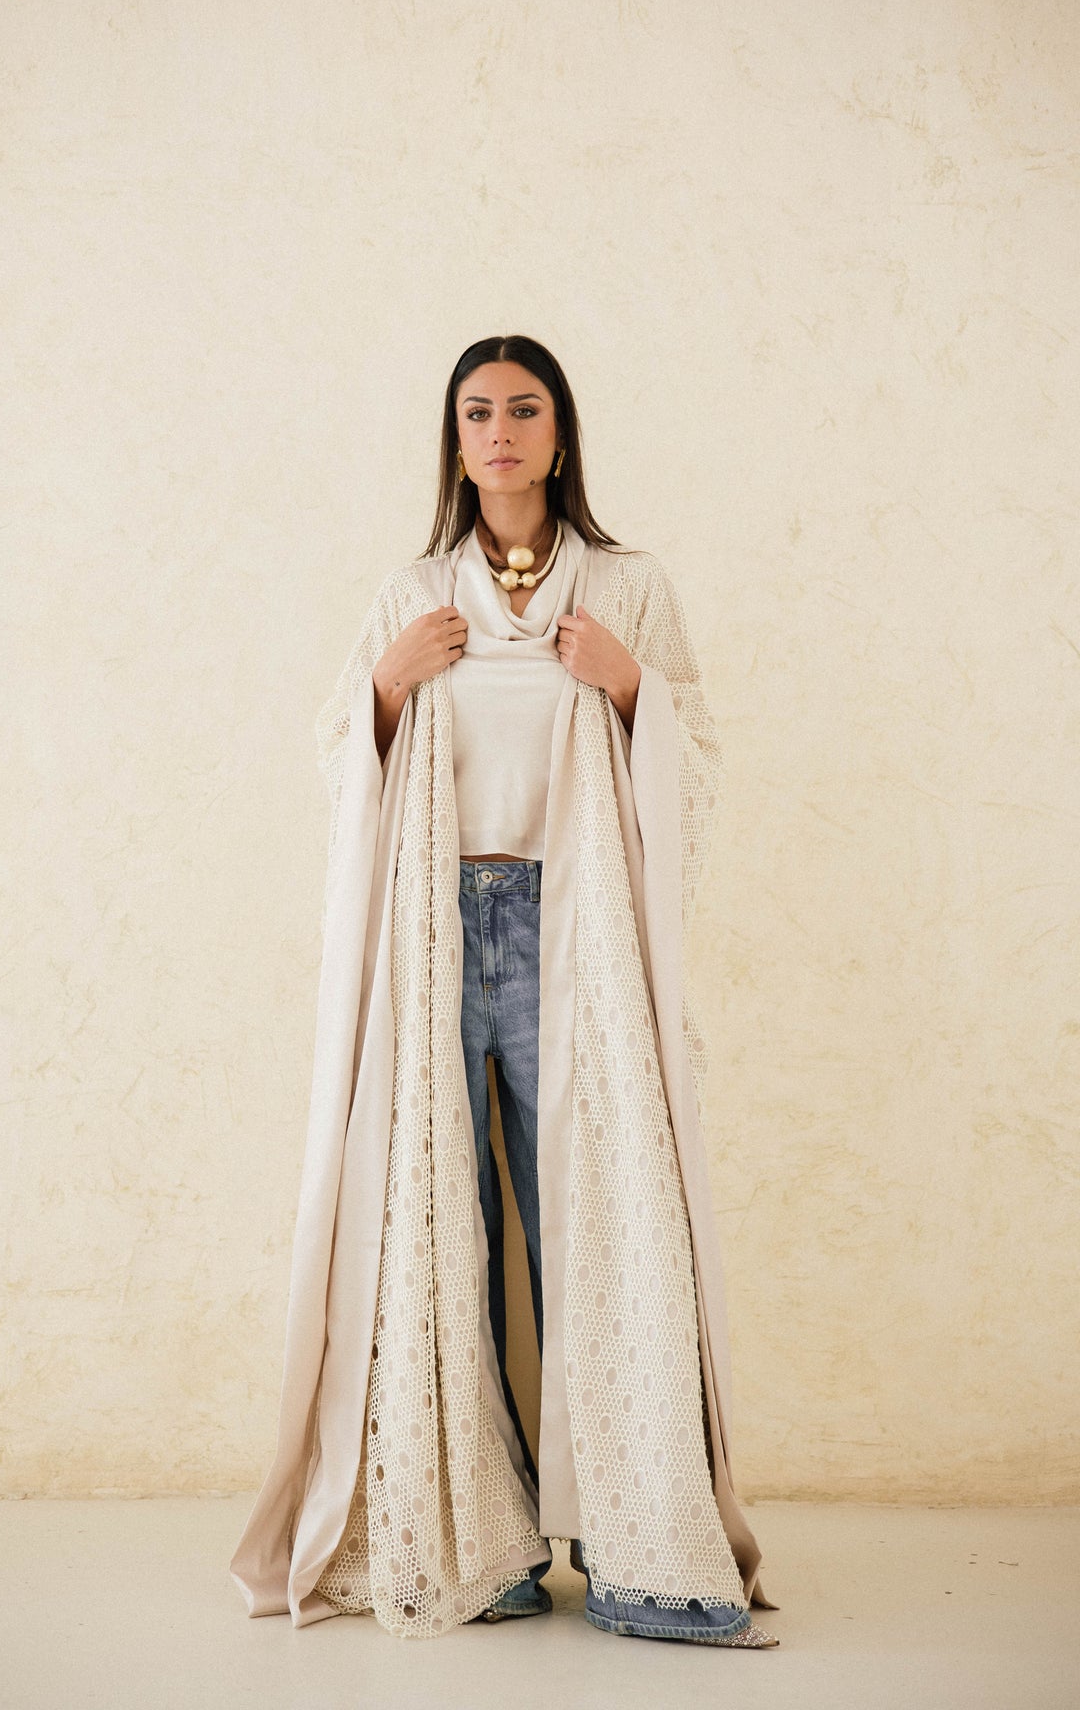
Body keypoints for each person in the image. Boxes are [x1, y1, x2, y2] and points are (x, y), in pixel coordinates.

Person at [229, 334, 779, 1647]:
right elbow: (339, 757)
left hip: (567, 935)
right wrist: (385, 686)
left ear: (560, 434)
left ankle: (638, 1548)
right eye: (477, 413)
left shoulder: (626, 588)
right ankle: (485, 1540)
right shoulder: (416, 593)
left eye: (524, 410)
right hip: (437, 930)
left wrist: (630, 685)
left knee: (597, 1216)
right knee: (437, 1227)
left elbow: (699, 757)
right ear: (457, 440)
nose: (501, 432)